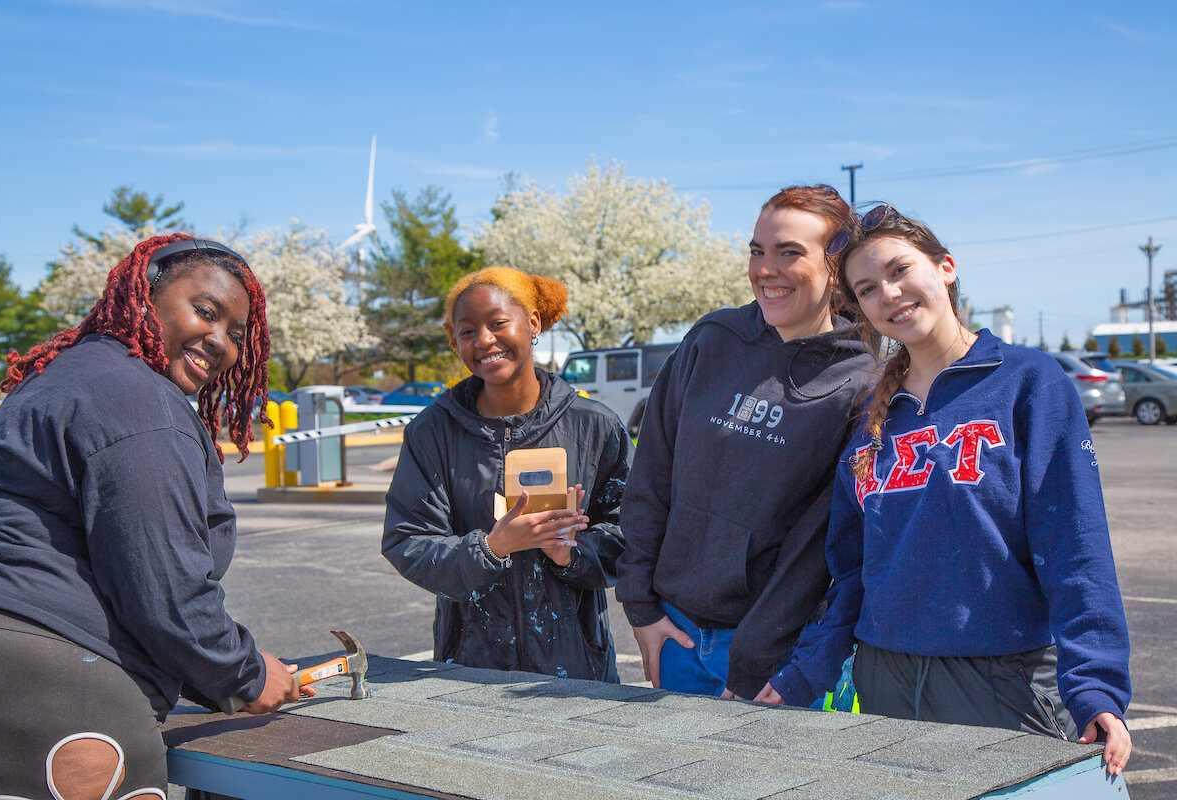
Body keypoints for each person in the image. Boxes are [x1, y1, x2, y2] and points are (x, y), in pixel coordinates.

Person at [758, 205, 1132, 777]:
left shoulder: (1028, 382)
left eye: (901, 269)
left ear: (946, 268)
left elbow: (1075, 544)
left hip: (1001, 679)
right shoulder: (870, 421)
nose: (890, 293)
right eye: (868, 288)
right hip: (885, 681)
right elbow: (853, 570)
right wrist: (805, 672)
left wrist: (1096, 686)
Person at [0, 235, 309, 797]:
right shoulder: (141, 403)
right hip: (63, 691)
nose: (221, 341)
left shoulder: (57, 379)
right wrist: (245, 673)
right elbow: (165, 587)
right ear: (142, 294)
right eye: (206, 311)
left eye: (236, 334)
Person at [615, 185, 876, 700]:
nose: (765, 269)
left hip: (776, 660)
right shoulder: (711, 340)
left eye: (789, 253)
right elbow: (650, 478)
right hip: (677, 638)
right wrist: (641, 608)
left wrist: (768, 659)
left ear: (835, 266)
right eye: (757, 251)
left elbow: (825, 546)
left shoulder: (861, 383)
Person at [382, 266, 631, 681]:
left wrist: (570, 553)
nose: (484, 341)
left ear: (532, 323)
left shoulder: (595, 426)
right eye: (467, 332)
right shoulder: (433, 432)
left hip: (578, 669)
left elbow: (634, 531)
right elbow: (407, 541)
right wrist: (491, 548)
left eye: (498, 323)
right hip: (471, 669)